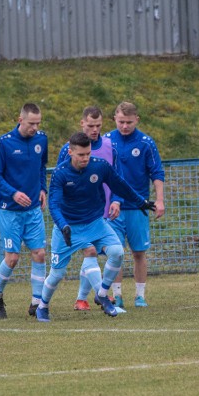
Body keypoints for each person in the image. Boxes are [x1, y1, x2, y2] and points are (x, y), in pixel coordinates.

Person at [37, 132, 155, 322]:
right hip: (68, 227)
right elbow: (55, 205)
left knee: (117, 252)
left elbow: (120, 185)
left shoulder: (100, 166)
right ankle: (42, 306)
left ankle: (101, 294)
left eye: (88, 154)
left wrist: (140, 202)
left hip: (95, 223)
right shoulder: (60, 173)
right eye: (81, 154)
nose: (85, 158)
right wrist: (63, 225)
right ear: (70, 152)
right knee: (57, 273)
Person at [55, 106, 122, 312]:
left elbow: (117, 178)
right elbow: (60, 179)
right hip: (79, 214)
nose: (94, 130)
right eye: (90, 125)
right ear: (82, 124)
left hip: (103, 210)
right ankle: (98, 296)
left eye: (98, 126)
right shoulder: (68, 149)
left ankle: (84, 298)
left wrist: (117, 200)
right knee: (90, 251)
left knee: (109, 252)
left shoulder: (111, 146)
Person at [0, 103, 49, 319]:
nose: (35, 128)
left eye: (38, 123)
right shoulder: (4, 143)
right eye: (31, 123)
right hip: (10, 210)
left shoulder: (42, 139)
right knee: (12, 259)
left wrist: (43, 188)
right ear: (20, 119)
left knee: (40, 253)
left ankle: (36, 302)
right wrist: (13, 193)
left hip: (33, 209)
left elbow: (41, 166)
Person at [103, 102, 165, 308]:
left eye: (129, 122)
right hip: (113, 207)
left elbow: (156, 172)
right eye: (121, 122)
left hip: (137, 207)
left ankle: (140, 295)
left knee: (138, 252)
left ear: (137, 120)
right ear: (115, 119)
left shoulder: (146, 143)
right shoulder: (107, 141)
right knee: (115, 252)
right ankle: (117, 295)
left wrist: (160, 200)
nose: (124, 126)